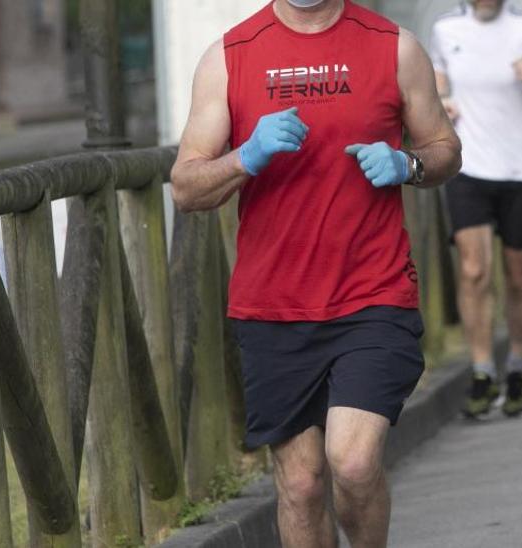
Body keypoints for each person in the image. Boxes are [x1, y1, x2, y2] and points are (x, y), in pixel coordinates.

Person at [169, 0, 461, 546]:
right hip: (272, 305)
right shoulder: (229, 57)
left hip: (373, 296)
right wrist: (244, 157)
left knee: (351, 463)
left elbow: (445, 148)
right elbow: (186, 187)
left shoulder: (393, 46)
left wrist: (409, 164)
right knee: (301, 486)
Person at [429, 0, 522, 418]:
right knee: (474, 269)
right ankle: (480, 370)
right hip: (468, 164)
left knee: (518, 273)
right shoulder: (446, 30)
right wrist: (442, 97)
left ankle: (518, 366)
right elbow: (435, 75)